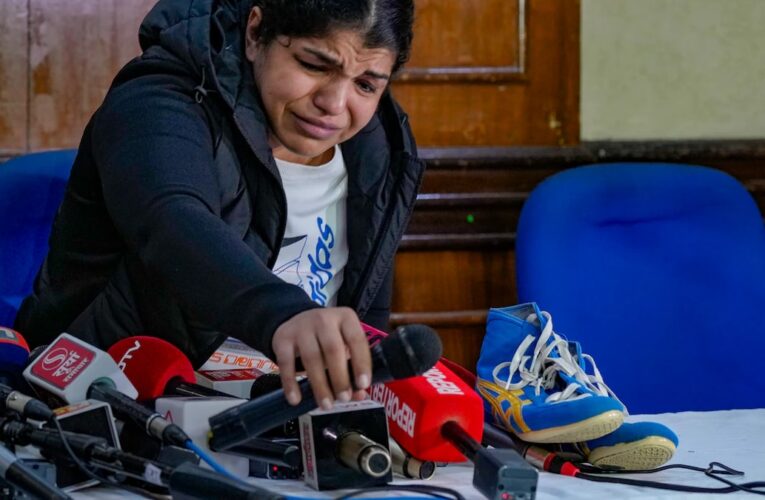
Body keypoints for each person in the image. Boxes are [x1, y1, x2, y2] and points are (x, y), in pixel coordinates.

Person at [15, 0, 422, 410]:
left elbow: (366, 311)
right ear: (254, 32)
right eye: (314, 65)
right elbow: (171, 220)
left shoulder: (376, 148)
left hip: (285, 421)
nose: (335, 104)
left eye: (366, 85)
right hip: (112, 413)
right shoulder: (156, 100)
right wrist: (283, 314)